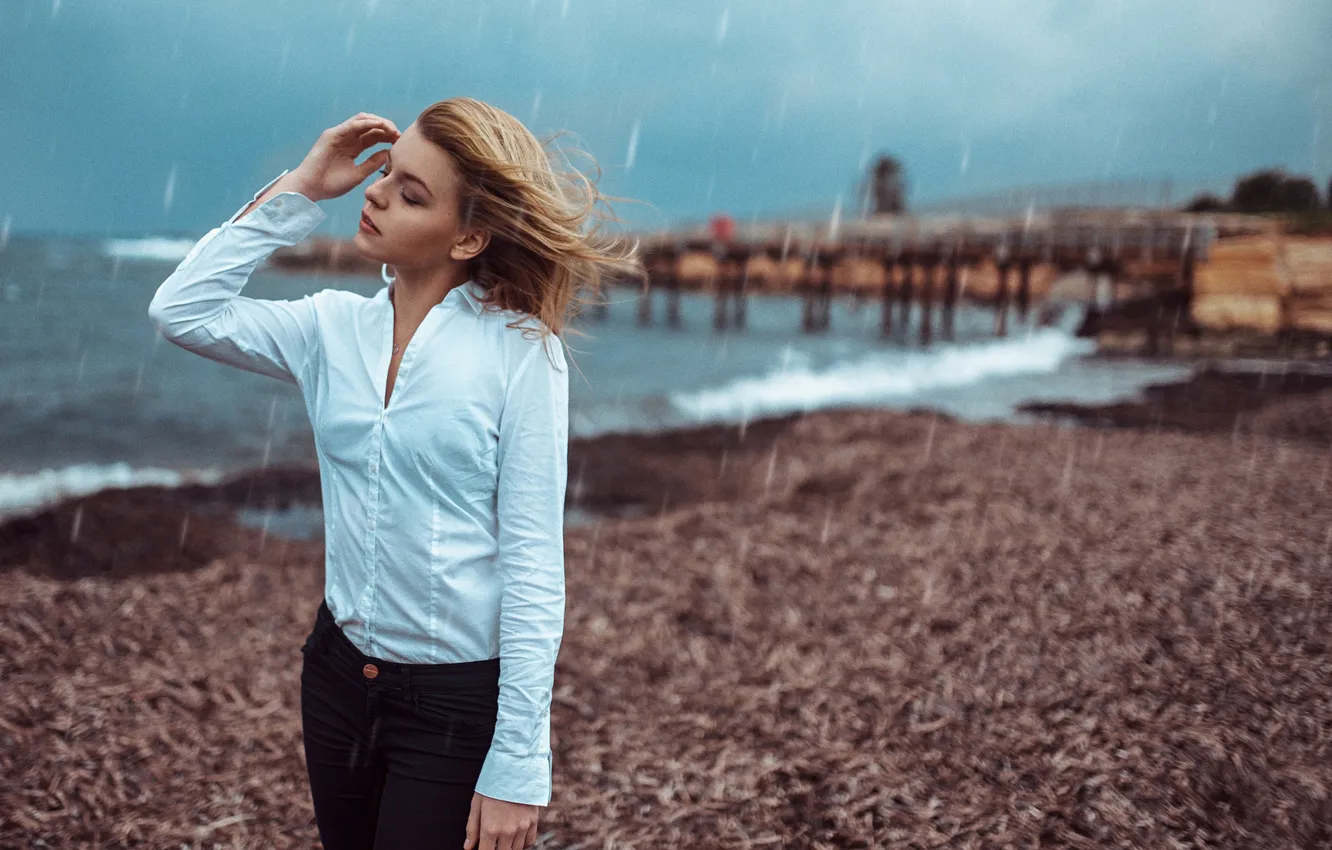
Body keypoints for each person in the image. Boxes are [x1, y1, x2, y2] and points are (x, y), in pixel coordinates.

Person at [148, 101, 641, 850]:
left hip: (454, 701)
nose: (376, 194)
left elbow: (535, 564)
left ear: (470, 236)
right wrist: (304, 188)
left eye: (412, 193)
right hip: (338, 677)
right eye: (385, 175)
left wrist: (519, 763)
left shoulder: (522, 353)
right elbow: (180, 310)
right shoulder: (328, 328)